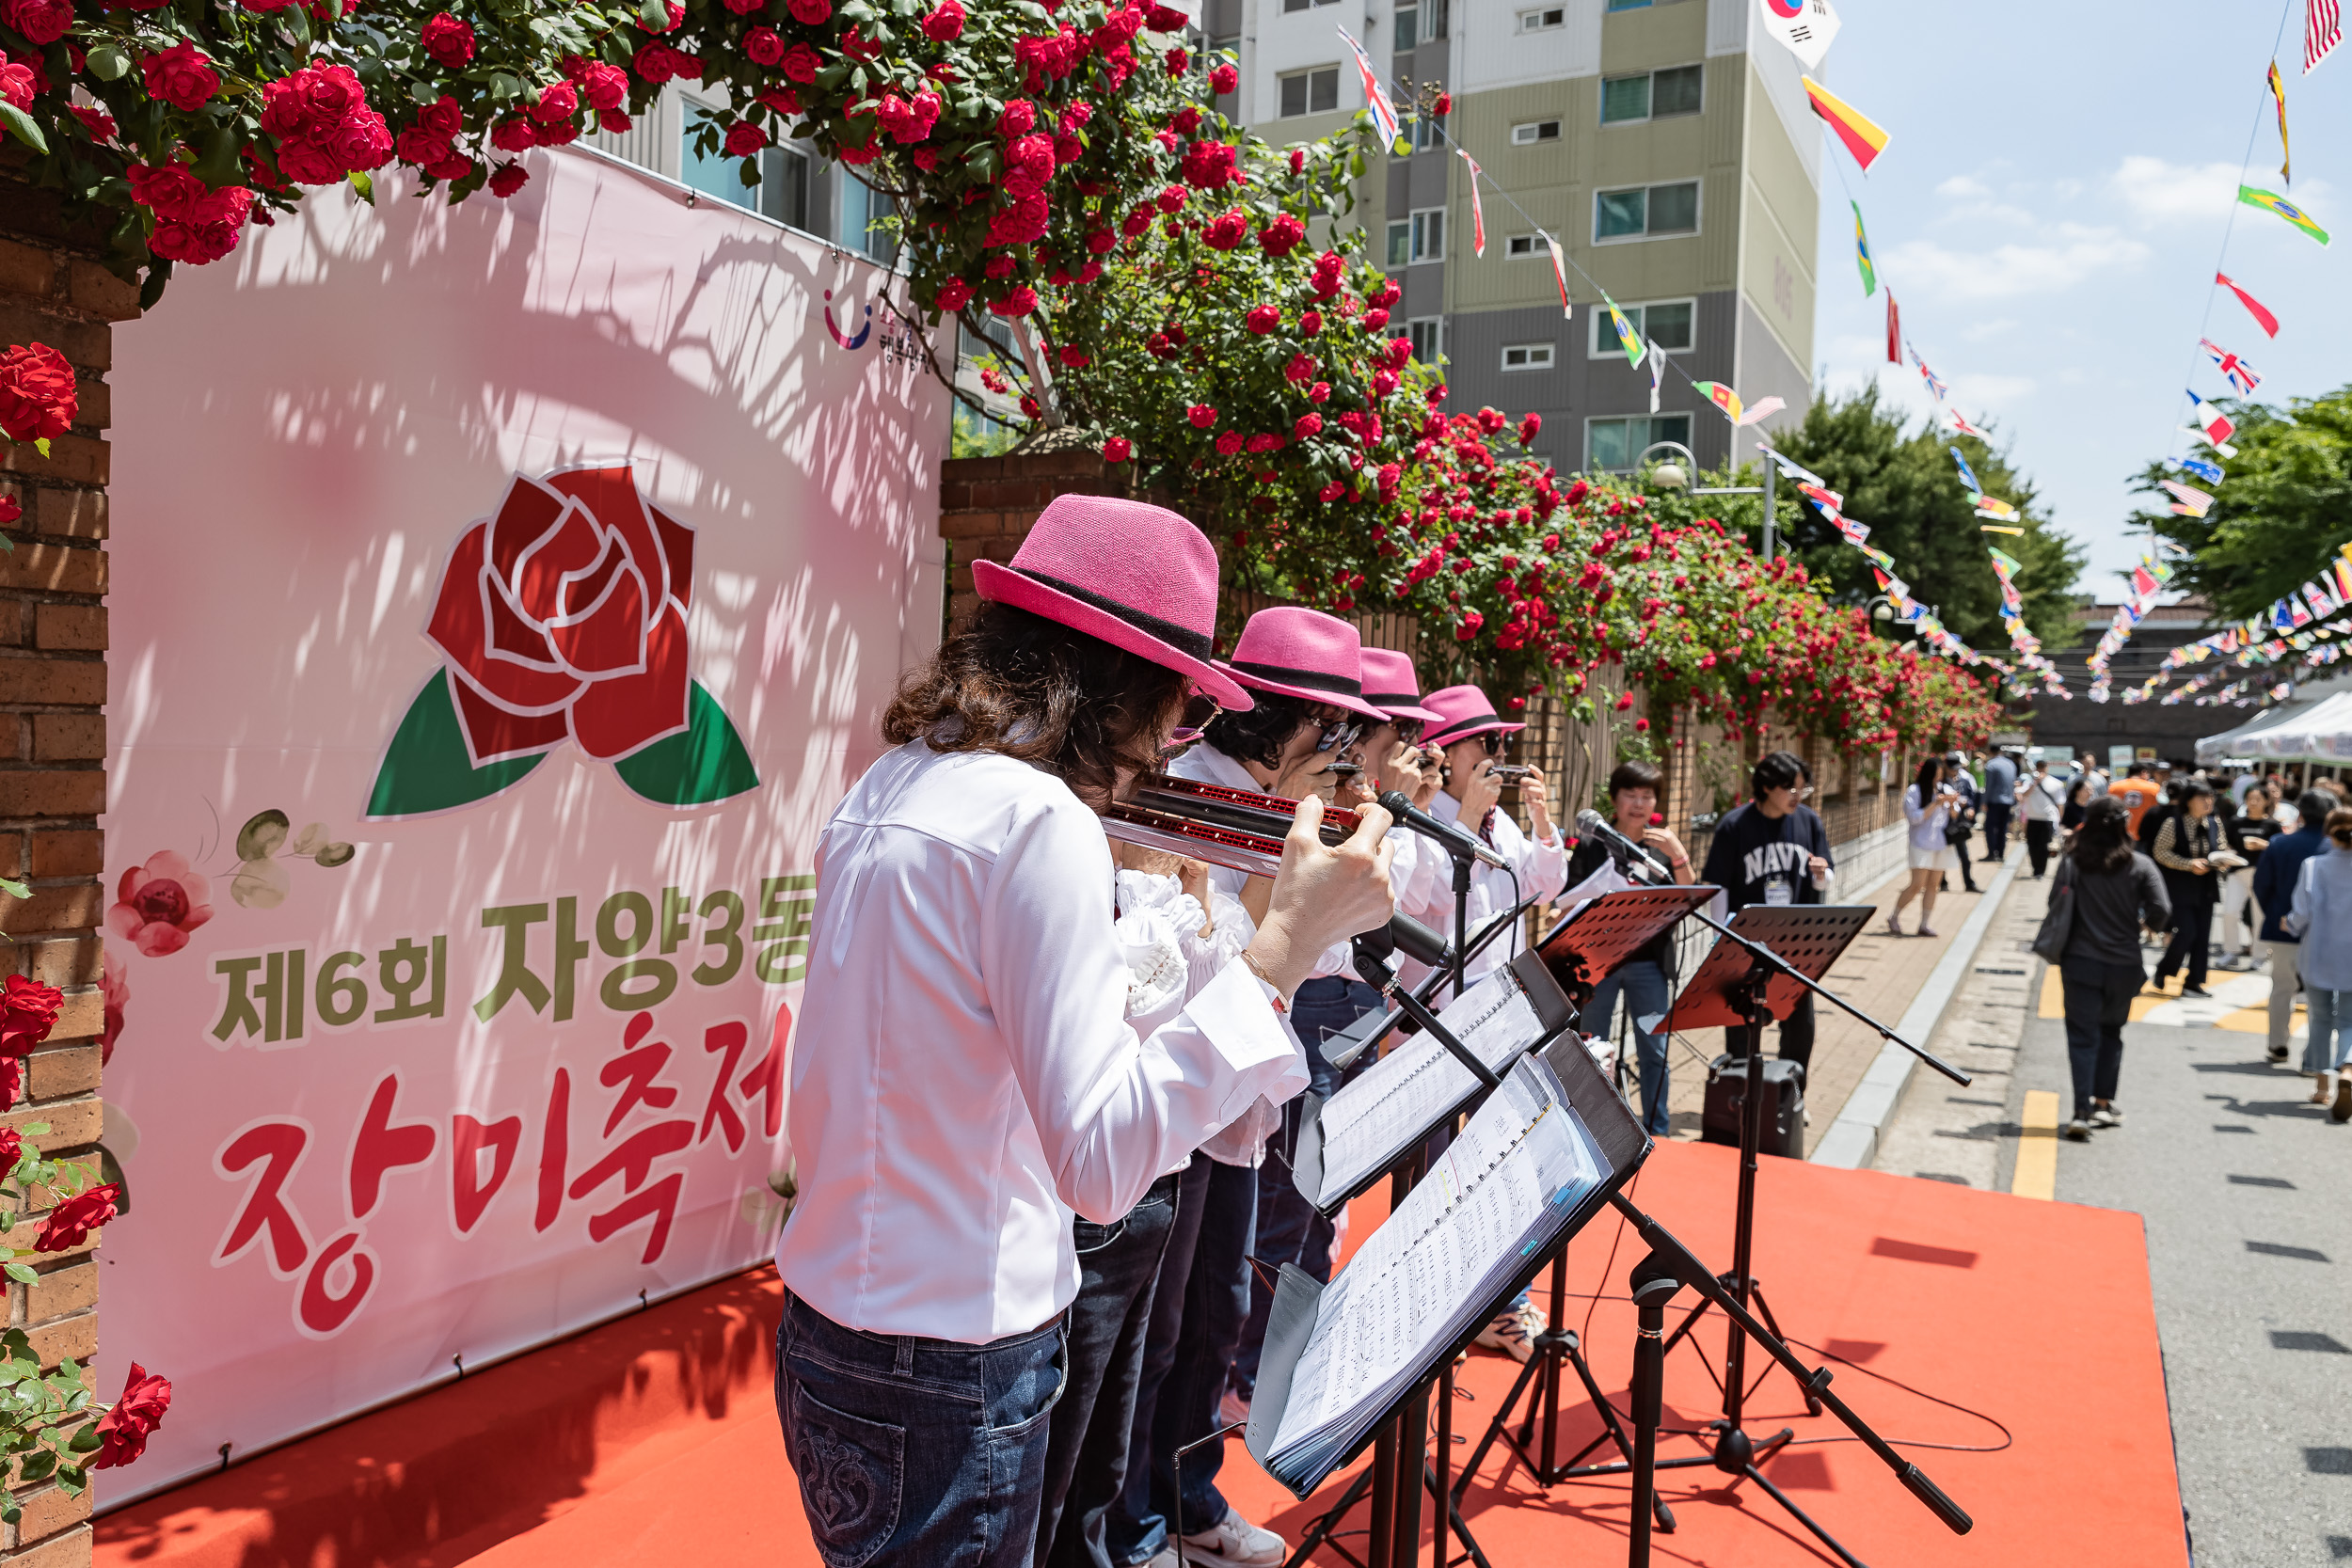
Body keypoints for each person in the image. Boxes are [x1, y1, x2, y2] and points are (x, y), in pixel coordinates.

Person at [773, 495, 1396, 1568]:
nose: (1167, 742)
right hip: (951, 1349)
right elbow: (1102, 1163)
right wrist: (1284, 940)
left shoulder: (899, 776)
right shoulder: (1038, 818)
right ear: (1122, 687)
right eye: (1171, 704)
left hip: (834, 1324)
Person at [1131, 604, 1391, 1568]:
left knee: (1215, 1319)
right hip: (1175, 1103)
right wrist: (1294, 883)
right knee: (1153, 1338)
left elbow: (1335, 938)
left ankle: (1189, 1496)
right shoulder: (1182, 793)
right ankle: (1136, 1521)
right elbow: (1213, 953)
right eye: (1329, 728)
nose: (1342, 746)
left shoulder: (1286, 798)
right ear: (1277, 721)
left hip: (1244, 1099)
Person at [1226, 646, 1444, 1437]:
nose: (1355, 746)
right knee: (1288, 1206)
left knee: (1315, 1199)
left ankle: (1271, 1362)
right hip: (1301, 992)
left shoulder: (1354, 788)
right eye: (1347, 728)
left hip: (1334, 994)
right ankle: (1254, 1373)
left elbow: (1387, 903)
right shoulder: (1251, 782)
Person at [1404, 684, 1569, 1360]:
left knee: (1503, 1165)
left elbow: (1542, 884)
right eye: (1488, 743)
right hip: (1438, 1026)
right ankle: (1427, 1313)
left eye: (1503, 743)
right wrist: (1465, 820)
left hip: (1501, 1021)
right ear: (1449, 752)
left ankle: (1503, 1307)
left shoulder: (1499, 822)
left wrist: (1541, 821)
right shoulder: (1426, 815)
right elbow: (1425, 899)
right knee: (1435, 1181)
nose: (1500, 755)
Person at [1566, 758, 1695, 1137]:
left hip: (1648, 964)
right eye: (1630, 795)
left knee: (1654, 1048)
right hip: (1599, 963)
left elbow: (1688, 894)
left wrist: (1678, 853)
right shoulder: (1593, 844)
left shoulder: (1659, 848)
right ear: (1615, 798)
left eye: (1647, 796)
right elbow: (1570, 898)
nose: (1638, 804)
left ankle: (1658, 1129)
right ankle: (1589, 1127)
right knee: (1592, 1047)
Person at [1699, 751, 1836, 1076]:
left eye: (1802, 789)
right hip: (1747, 941)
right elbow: (1719, 887)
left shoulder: (1808, 821)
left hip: (1796, 940)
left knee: (1800, 1023)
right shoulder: (1735, 825)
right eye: (1790, 789)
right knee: (1742, 1019)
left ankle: (1791, 1094)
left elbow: (1827, 878)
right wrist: (1721, 937)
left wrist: (1821, 874)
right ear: (1766, 787)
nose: (1796, 796)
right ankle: (1742, 1091)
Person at [2049, 796, 2170, 1141]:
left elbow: (2054, 904)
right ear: (2123, 824)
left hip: (2080, 961)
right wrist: (2144, 926)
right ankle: (2103, 1102)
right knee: (2111, 1033)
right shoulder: (2139, 865)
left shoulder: (2073, 862)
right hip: (2123, 963)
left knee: (2081, 1037)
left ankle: (2080, 1111)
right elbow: (2161, 910)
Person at [2251, 790, 2335, 1066]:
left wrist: (2276, 913)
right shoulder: (2335, 849)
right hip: (2326, 933)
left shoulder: (2279, 844)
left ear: (2299, 814)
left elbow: (2262, 885)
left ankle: (2277, 1044)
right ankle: (2314, 1056)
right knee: (2320, 998)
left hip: (2283, 926)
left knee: (2281, 988)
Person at [2284, 807, 2352, 1122]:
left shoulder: (2314, 866)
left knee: (2321, 1018)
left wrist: (2290, 924)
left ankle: (2322, 1083)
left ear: (2329, 832)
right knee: (2351, 1021)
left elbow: (2302, 913)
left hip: (2319, 953)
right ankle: (2348, 1067)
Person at [2150, 782, 2221, 997]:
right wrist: (2188, 864)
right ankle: (2165, 969)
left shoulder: (2214, 822)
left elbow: (2223, 846)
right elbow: (2160, 852)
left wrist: (2224, 859)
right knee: (2187, 930)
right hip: (2179, 885)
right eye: (2202, 798)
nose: (2208, 802)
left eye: (2210, 797)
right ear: (2188, 801)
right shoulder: (2174, 823)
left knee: (2203, 935)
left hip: (2206, 886)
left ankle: (2194, 981)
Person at [1889, 755, 1961, 937]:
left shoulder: (1945, 788)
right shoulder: (1914, 791)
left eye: (1940, 775)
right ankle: (1894, 916)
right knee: (1917, 884)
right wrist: (1935, 803)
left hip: (1941, 844)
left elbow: (1954, 816)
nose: (1938, 779)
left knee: (1933, 885)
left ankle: (1924, 924)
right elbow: (1914, 818)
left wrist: (1952, 804)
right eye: (1935, 775)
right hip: (1920, 843)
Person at [2214, 784, 2274, 972]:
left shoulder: (2272, 825)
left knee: (2259, 917)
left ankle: (2259, 955)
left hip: (2262, 875)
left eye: (2258, 799)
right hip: (2237, 873)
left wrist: (2264, 845)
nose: (2253, 803)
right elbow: (2227, 845)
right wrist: (2227, 854)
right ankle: (2231, 951)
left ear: (2266, 801)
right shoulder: (2235, 822)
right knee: (2230, 912)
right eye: (2250, 799)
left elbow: (2279, 850)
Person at [2020, 756, 2066, 879]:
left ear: (2046, 768)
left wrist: (2060, 820)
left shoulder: (2056, 783)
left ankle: (2041, 871)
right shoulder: (2030, 782)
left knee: (2043, 845)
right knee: (2032, 845)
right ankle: (2035, 868)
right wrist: (2034, 784)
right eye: (2038, 767)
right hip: (2032, 818)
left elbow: (2060, 803)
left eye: (2042, 767)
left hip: (2047, 819)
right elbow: (2023, 795)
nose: (2040, 770)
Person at [1943, 752, 1981, 894]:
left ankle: (1969, 883)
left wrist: (1970, 808)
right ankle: (1942, 883)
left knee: (1965, 857)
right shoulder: (1941, 783)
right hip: (1944, 824)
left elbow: (1971, 799)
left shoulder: (1963, 782)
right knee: (1942, 855)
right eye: (1952, 769)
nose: (1954, 772)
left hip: (1959, 824)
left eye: (1956, 769)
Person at [1981, 746, 2019, 864]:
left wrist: (1984, 802)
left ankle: (1992, 853)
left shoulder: (1991, 765)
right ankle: (2001, 854)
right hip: (2008, 801)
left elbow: (1989, 785)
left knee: (1990, 828)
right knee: (2003, 828)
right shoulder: (2010, 764)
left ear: (1990, 752)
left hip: (1995, 801)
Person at [2111, 762, 2161, 839]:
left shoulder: (2114, 787)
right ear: (2143, 772)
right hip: (2146, 834)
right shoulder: (2155, 788)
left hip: (2119, 834)